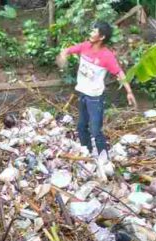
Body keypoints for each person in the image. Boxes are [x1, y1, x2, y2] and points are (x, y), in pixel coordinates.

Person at [57, 21, 137, 156]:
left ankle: (103, 156)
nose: (91, 33)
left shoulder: (107, 56)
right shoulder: (85, 46)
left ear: (102, 37)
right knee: (81, 127)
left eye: (94, 31)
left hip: (95, 98)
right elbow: (68, 50)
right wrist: (63, 55)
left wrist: (129, 91)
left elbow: (119, 73)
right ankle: (86, 152)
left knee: (95, 130)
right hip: (82, 94)